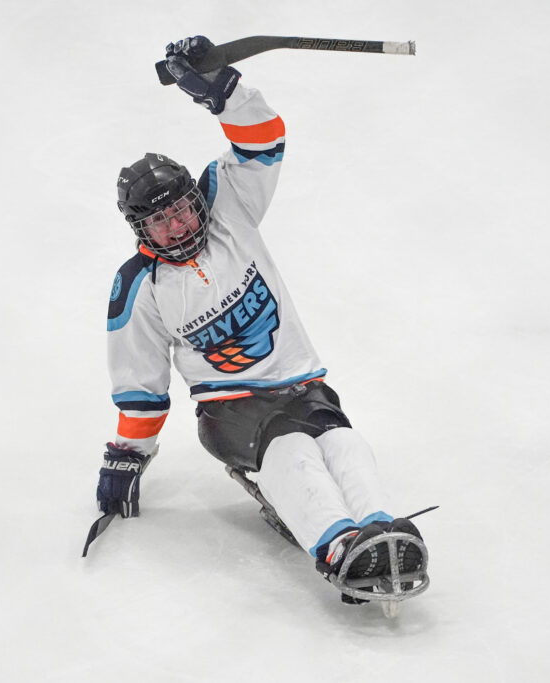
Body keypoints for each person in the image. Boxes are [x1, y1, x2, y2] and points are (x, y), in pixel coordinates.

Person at [96, 36, 428, 604]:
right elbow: (142, 388)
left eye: (179, 210)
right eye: (160, 223)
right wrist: (128, 457)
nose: (175, 228)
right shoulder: (139, 286)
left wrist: (221, 90)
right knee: (292, 449)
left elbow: (263, 139)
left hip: (303, 382)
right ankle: (335, 545)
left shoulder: (230, 205)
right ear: (139, 229)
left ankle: (381, 526)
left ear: (195, 201)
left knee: (339, 440)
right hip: (231, 408)